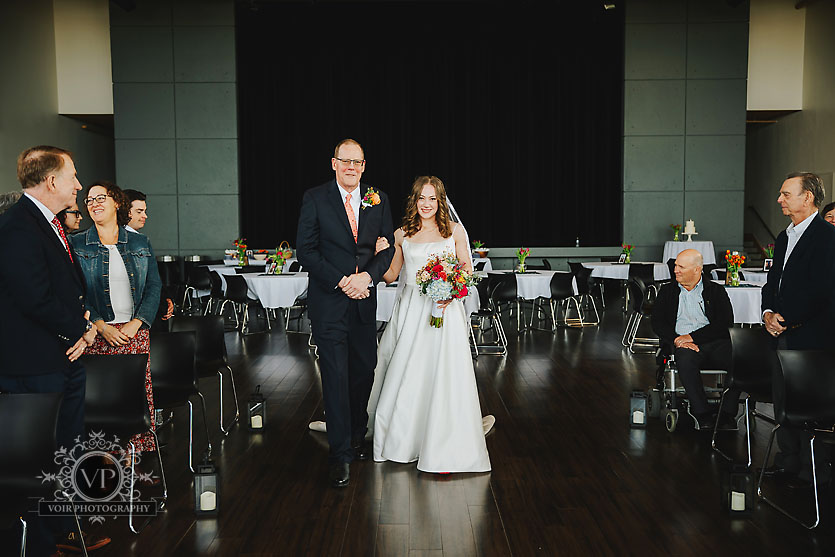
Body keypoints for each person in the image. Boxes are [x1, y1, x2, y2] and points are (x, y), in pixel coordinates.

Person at [0, 146, 108, 556]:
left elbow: (63, 288)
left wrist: (81, 323)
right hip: (35, 364)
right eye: (73, 176)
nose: (79, 184)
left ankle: (63, 530)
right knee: (43, 458)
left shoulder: (48, 223)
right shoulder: (18, 226)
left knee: (66, 450)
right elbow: (33, 298)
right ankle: (42, 545)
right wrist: (82, 329)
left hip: (62, 356)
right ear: (51, 181)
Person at [367, 176, 491, 472]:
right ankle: (405, 440)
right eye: (421, 198)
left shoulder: (454, 231)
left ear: (440, 201)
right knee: (409, 372)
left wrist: (452, 290)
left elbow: (466, 270)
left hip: (445, 312)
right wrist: (379, 254)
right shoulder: (402, 234)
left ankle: (445, 442)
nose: (426, 204)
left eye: (432, 198)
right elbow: (391, 275)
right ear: (414, 200)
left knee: (444, 373)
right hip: (411, 309)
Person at [296, 138, 395, 488]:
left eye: (357, 162)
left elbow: (388, 248)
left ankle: (355, 436)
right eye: (345, 161)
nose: (351, 167)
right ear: (334, 163)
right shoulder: (315, 198)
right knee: (336, 375)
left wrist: (366, 277)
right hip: (329, 302)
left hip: (364, 299)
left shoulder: (378, 198)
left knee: (364, 371)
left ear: (364, 166)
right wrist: (342, 281)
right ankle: (339, 455)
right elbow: (305, 251)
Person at [70, 181, 162, 460]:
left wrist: (138, 323)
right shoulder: (76, 243)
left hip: (135, 333)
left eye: (101, 197)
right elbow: (74, 291)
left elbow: (154, 286)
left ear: (117, 203)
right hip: (97, 335)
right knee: (102, 400)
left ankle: (133, 459)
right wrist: (100, 325)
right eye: (89, 200)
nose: (94, 203)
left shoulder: (140, 242)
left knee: (134, 397)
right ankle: (103, 459)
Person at [761, 172, 835, 488]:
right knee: (783, 399)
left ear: (807, 197)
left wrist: (786, 318)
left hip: (812, 335)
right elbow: (773, 281)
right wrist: (767, 312)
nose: (779, 199)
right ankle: (787, 462)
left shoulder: (828, 237)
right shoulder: (783, 237)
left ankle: (811, 471)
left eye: (786, 194)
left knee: (809, 402)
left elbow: (821, 289)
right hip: (782, 331)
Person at [651, 249, 739, 430]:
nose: (675, 270)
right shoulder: (667, 291)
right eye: (676, 266)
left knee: (739, 358)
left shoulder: (716, 291)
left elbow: (725, 323)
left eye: (681, 267)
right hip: (682, 344)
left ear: (697, 269)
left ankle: (727, 413)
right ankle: (702, 413)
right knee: (685, 359)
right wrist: (678, 340)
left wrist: (692, 337)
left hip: (713, 342)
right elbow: (657, 323)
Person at [122, 188, 174, 322]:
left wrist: (164, 298)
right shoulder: (136, 241)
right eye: (139, 211)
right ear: (125, 211)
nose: (145, 216)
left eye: (144, 211)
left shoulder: (140, 240)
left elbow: (150, 278)